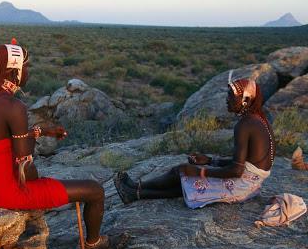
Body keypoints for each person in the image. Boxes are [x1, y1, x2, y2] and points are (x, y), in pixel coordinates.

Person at [0, 39, 127, 249]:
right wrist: (41, 188)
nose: (29, 72)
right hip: (6, 192)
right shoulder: (14, 106)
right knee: (95, 191)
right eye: (27, 67)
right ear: (14, 73)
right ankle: (93, 244)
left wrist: (43, 131)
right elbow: (26, 169)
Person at [114, 72, 275, 209]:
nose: (226, 99)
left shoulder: (245, 125)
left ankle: (136, 189)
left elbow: (236, 171)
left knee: (182, 171)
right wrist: (211, 160)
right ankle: (135, 191)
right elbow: (246, 165)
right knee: (186, 180)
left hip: (241, 186)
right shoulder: (259, 120)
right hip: (251, 185)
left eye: (231, 96)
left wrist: (201, 171)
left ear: (245, 101)